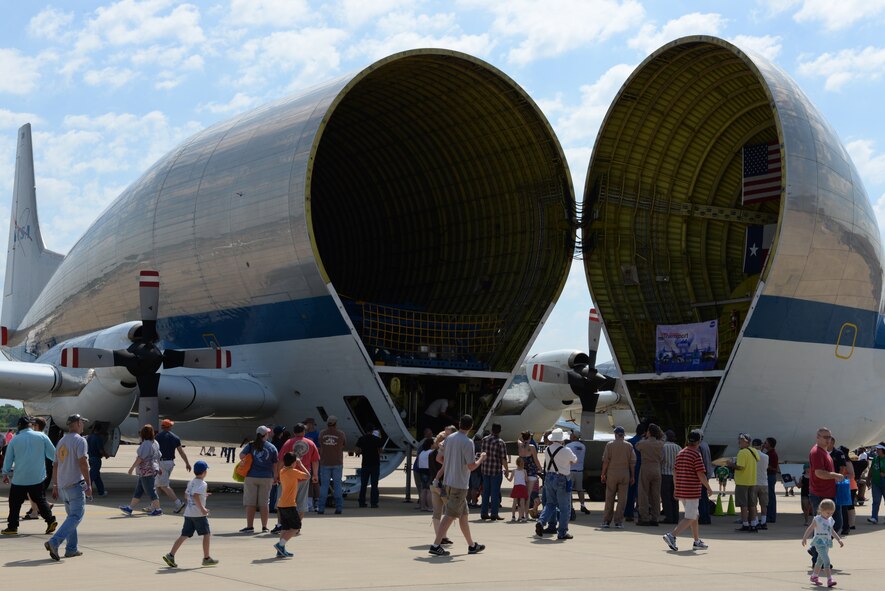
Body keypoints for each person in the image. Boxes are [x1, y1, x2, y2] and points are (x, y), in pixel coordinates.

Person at [428, 414, 487, 556]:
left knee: (463, 516)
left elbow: (440, 458)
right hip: (459, 485)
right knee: (449, 515)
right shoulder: (468, 442)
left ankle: (471, 545)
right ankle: (436, 544)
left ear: (460, 423)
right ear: (471, 427)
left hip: (448, 482)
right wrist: (481, 459)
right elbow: (472, 466)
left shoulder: (449, 438)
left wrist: (451, 464)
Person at [45, 414, 92, 560]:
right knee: (76, 516)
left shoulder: (61, 441)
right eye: (82, 422)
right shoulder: (80, 440)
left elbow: (55, 465)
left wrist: (55, 485)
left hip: (63, 487)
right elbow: (83, 463)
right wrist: (89, 483)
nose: (83, 425)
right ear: (77, 423)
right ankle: (54, 542)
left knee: (71, 518)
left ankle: (71, 549)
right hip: (75, 485)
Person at [1, 416, 57, 535]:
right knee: (40, 500)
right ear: (30, 425)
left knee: (15, 503)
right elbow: (53, 455)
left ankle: (12, 527)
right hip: (37, 477)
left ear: (19, 426)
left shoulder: (15, 440)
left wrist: (5, 473)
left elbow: (8, 459)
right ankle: (50, 521)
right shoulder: (42, 436)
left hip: (20, 478)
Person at [662, 429, 713, 551]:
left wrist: (676, 488)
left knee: (694, 515)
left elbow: (675, 471)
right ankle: (672, 535)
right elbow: (700, 473)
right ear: (698, 441)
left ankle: (696, 541)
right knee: (690, 516)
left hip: (682, 489)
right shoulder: (696, 454)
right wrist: (708, 487)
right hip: (692, 490)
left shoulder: (681, 453)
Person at [162, 460, 218, 568]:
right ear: (204, 472)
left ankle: (171, 555)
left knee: (184, 535)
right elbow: (196, 496)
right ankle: (206, 558)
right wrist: (203, 509)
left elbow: (187, 495)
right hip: (198, 515)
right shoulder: (203, 483)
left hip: (188, 513)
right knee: (206, 534)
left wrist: (204, 495)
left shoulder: (191, 482)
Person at [808, 427, 844, 567]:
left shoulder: (824, 451)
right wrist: (835, 476)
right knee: (823, 528)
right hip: (821, 494)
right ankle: (818, 559)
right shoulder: (817, 452)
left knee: (835, 524)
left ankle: (815, 550)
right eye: (825, 437)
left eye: (829, 437)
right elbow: (819, 473)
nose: (828, 439)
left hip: (828, 493)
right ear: (818, 437)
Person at [534, 428, 578, 540]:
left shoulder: (547, 449)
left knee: (550, 504)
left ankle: (541, 521)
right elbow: (575, 460)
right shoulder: (566, 450)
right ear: (562, 439)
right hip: (562, 478)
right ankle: (562, 532)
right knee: (565, 508)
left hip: (549, 477)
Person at [276, 423, 320, 529]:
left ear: (294, 432)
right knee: (301, 503)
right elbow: (315, 460)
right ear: (304, 432)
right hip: (303, 477)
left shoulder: (289, 442)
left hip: (288, 476)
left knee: (283, 501)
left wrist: (277, 475)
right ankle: (297, 526)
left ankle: (280, 524)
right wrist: (315, 474)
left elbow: (281, 460)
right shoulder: (310, 443)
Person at [239, 425, 280, 533]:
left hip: (251, 476)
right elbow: (275, 463)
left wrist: (250, 459)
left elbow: (241, 455)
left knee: (250, 503)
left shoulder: (251, 445)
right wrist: (275, 475)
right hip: (266, 477)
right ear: (265, 434)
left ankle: (249, 526)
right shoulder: (271, 447)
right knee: (264, 503)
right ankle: (264, 526)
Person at [120, 424, 163, 516]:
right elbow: (158, 456)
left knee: (151, 490)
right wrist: (159, 467)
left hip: (146, 471)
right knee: (139, 490)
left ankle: (158, 509)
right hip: (151, 469)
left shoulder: (146, 444)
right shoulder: (155, 443)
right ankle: (130, 508)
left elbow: (140, 458)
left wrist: (131, 468)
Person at [273, 451, 310, 558]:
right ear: (293, 463)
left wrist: (295, 464)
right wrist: (301, 464)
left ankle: (281, 550)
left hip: (282, 504)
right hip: (289, 504)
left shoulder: (283, 470)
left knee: (285, 528)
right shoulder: (293, 471)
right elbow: (308, 476)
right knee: (296, 527)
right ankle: (280, 545)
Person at [600, 425, 636, 529]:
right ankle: (618, 521)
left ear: (615, 434)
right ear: (623, 435)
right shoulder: (629, 446)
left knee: (609, 497)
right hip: (625, 473)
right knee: (622, 499)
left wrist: (603, 473)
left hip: (612, 473)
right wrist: (632, 475)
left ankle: (606, 521)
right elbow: (632, 463)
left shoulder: (609, 445)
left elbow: (606, 461)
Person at [802, 498, 843, 587]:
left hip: (827, 542)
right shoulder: (817, 519)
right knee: (826, 561)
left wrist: (838, 539)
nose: (829, 515)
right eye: (828, 513)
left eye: (831, 513)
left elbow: (832, 531)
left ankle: (814, 576)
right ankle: (829, 579)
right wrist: (805, 537)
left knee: (820, 561)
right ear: (821, 510)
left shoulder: (830, 520)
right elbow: (810, 528)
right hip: (819, 543)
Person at [155, 418, 192, 514]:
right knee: (158, 485)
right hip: (170, 463)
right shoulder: (175, 437)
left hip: (161, 463)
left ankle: (178, 503)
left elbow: (153, 451)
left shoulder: (157, 437)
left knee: (163, 485)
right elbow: (181, 452)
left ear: (162, 427)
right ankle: (154, 505)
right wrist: (187, 463)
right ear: (170, 427)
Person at [729, 433, 760, 532]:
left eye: (741, 440)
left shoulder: (742, 452)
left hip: (742, 482)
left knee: (743, 505)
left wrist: (731, 464)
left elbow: (741, 467)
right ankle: (754, 524)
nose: (739, 442)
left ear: (746, 442)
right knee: (752, 504)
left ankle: (745, 524)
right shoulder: (754, 451)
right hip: (752, 481)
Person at [635, 423, 665, 526]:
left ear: (649, 432)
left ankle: (644, 517)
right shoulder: (660, 443)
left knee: (643, 493)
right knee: (656, 495)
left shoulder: (643, 443)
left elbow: (637, 446)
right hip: (657, 468)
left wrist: (645, 437)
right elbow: (663, 438)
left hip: (646, 467)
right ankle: (655, 518)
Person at [479, 423, 509, 521]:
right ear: (500, 431)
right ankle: (494, 514)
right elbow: (503, 458)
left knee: (485, 492)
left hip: (485, 469)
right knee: (495, 493)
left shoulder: (484, 440)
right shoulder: (500, 442)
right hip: (495, 470)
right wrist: (507, 470)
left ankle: (484, 513)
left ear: (492, 430)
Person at [317, 416, 346, 515]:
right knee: (338, 486)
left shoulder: (322, 433)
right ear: (336, 423)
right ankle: (339, 508)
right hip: (337, 462)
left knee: (324, 486)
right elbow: (343, 445)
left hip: (325, 462)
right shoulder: (341, 434)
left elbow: (320, 444)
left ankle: (321, 508)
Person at [355, 424, 383, 509]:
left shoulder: (361, 439)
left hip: (365, 464)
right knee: (374, 485)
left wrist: (360, 453)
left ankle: (362, 502)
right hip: (375, 464)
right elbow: (380, 451)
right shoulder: (377, 439)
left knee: (363, 484)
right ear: (372, 431)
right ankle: (374, 503)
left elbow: (357, 451)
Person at [660, 430, 682, 524]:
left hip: (665, 474)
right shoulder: (679, 448)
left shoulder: (663, 447)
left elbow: (661, 460)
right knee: (675, 497)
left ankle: (669, 517)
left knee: (666, 497)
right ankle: (676, 517)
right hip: (676, 475)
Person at [566, 430, 589, 517]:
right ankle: (582, 505)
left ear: (574, 437)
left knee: (569, 490)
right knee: (580, 489)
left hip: (571, 470)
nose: (570, 436)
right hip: (580, 470)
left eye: (571, 435)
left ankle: (571, 506)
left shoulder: (568, 446)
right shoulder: (583, 446)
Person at [86, 424, 109, 497]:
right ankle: (86, 492)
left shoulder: (89, 437)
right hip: (96, 459)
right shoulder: (98, 438)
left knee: (97, 476)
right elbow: (100, 450)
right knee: (91, 476)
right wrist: (106, 455)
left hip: (90, 458)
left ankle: (101, 492)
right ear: (99, 430)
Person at [763, 436, 780, 523]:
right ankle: (769, 516)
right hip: (769, 476)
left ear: (770, 444)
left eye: (765, 442)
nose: (764, 444)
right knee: (769, 497)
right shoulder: (768, 453)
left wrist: (766, 466)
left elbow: (774, 468)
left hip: (770, 476)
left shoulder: (772, 454)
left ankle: (771, 516)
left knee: (770, 497)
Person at [868, 444, 885, 524]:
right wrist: (868, 479)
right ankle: (874, 517)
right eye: (877, 449)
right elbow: (871, 469)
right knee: (876, 501)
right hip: (876, 482)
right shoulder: (875, 458)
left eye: (879, 449)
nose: (877, 450)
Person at [509, 457, 529, 521]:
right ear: (523, 464)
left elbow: (510, 480)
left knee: (515, 502)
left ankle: (513, 516)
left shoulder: (514, 471)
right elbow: (526, 480)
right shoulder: (524, 471)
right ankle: (522, 516)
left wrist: (506, 476)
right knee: (522, 502)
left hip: (516, 486)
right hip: (522, 487)